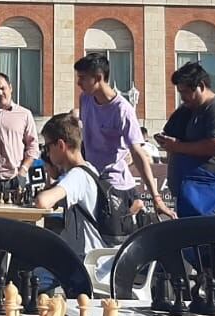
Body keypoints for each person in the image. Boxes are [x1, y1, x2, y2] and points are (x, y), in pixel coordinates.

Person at [74, 54, 174, 219]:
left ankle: (135, 206)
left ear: (98, 78)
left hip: (115, 184)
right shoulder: (85, 99)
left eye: (83, 78)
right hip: (91, 179)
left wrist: (156, 198)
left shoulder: (122, 110)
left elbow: (137, 152)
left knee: (113, 237)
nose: (79, 83)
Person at [155, 62, 215, 217]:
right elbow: (171, 131)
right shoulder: (188, 110)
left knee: (212, 236)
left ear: (201, 86)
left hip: (213, 191)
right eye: (180, 92)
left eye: (186, 92)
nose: (183, 98)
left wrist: (178, 147)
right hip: (190, 189)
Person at [33, 113, 104, 261]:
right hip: (90, 257)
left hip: (86, 261)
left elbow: (42, 202)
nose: (46, 152)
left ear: (60, 145)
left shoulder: (77, 176)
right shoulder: (89, 169)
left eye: (47, 147)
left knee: (37, 272)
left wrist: (44, 194)